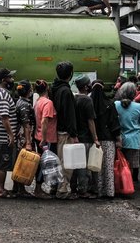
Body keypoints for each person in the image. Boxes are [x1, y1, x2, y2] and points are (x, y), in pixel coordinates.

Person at [51, 61, 78, 200]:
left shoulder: (54, 88)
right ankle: (62, 190)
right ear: (70, 74)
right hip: (65, 132)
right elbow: (69, 115)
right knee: (66, 162)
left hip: (55, 130)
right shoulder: (66, 91)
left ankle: (55, 186)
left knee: (58, 160)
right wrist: (73, 133)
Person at [90, 80, 121, 198]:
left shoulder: (89, 103)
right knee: (108, 166)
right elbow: (114, 123)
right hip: (108, 139)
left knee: (96, 166)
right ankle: (109, 191)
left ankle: (97, 190)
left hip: (94, 140)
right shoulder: (109, 104)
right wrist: (118, 139)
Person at [0, 68, 18, 198]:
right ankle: (0, 189)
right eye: (10, 78)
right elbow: (4, 117)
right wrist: (11, 134)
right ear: (3, 80)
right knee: (3, 163)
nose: (12, 80)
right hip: (3, 136)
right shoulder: (3, 95)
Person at [73, 75, 100, 198]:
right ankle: (83, 190)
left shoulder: (74, 98)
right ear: (85, 86)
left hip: (75, 136)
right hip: (85, 137)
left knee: (76, 164)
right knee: (84, 165)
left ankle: (75, 187)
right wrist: (95, 138)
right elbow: (91, 121)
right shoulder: (87, 100)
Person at [115, 82, 140, 182]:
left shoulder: (115, 104)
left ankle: (119, 184)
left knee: (118, 164)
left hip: (118, 138)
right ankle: (128, 185)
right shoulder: (138, 106)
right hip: (134, 140)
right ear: (134, 93)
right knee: (130, 166)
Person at [33, 79, 57, 198]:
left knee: (42, 163)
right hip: (47, 138)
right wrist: (44, 138)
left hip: (39, 136)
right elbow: (44, 121)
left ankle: (39, 188)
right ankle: (38, 189)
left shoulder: (38, 101)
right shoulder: (48, 103)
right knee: (45, 164)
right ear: (47, 88)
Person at [14, 80, 37, 198]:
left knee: (20, 160)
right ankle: (20, 188)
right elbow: (26, 124)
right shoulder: (25, 105)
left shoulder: (19, 102)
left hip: (21, 134)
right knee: (22, 161)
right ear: (28, 91)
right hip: (23, 135)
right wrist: (28, 142)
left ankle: (17, 187)